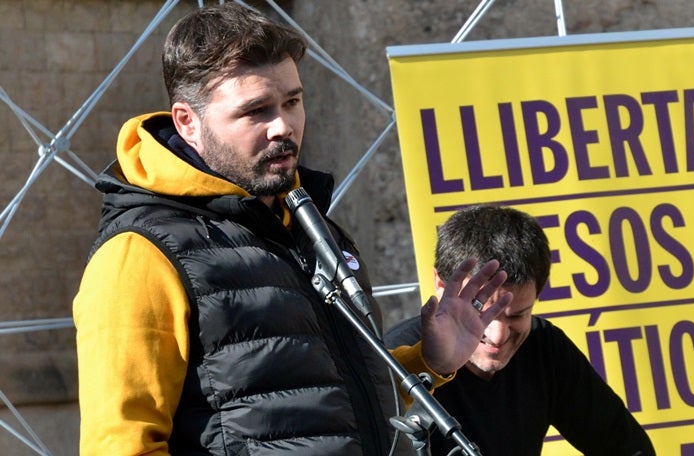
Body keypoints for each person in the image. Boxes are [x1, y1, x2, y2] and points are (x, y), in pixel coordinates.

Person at [72, 4, 511, 455]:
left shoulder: (310, 227)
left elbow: (327, 407)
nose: (283, 126)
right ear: (188, 123)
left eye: (293, 102)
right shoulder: (139, 254)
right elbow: (121, 445)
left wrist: (430, 360)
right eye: (256, 111)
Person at [384, 205, 655, 456]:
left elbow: (628, 448)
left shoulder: (543, 348)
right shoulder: (391, 365)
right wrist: (433, 364)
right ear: (441, 286)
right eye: (478, 312)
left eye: (518, 315)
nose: (498, 335)